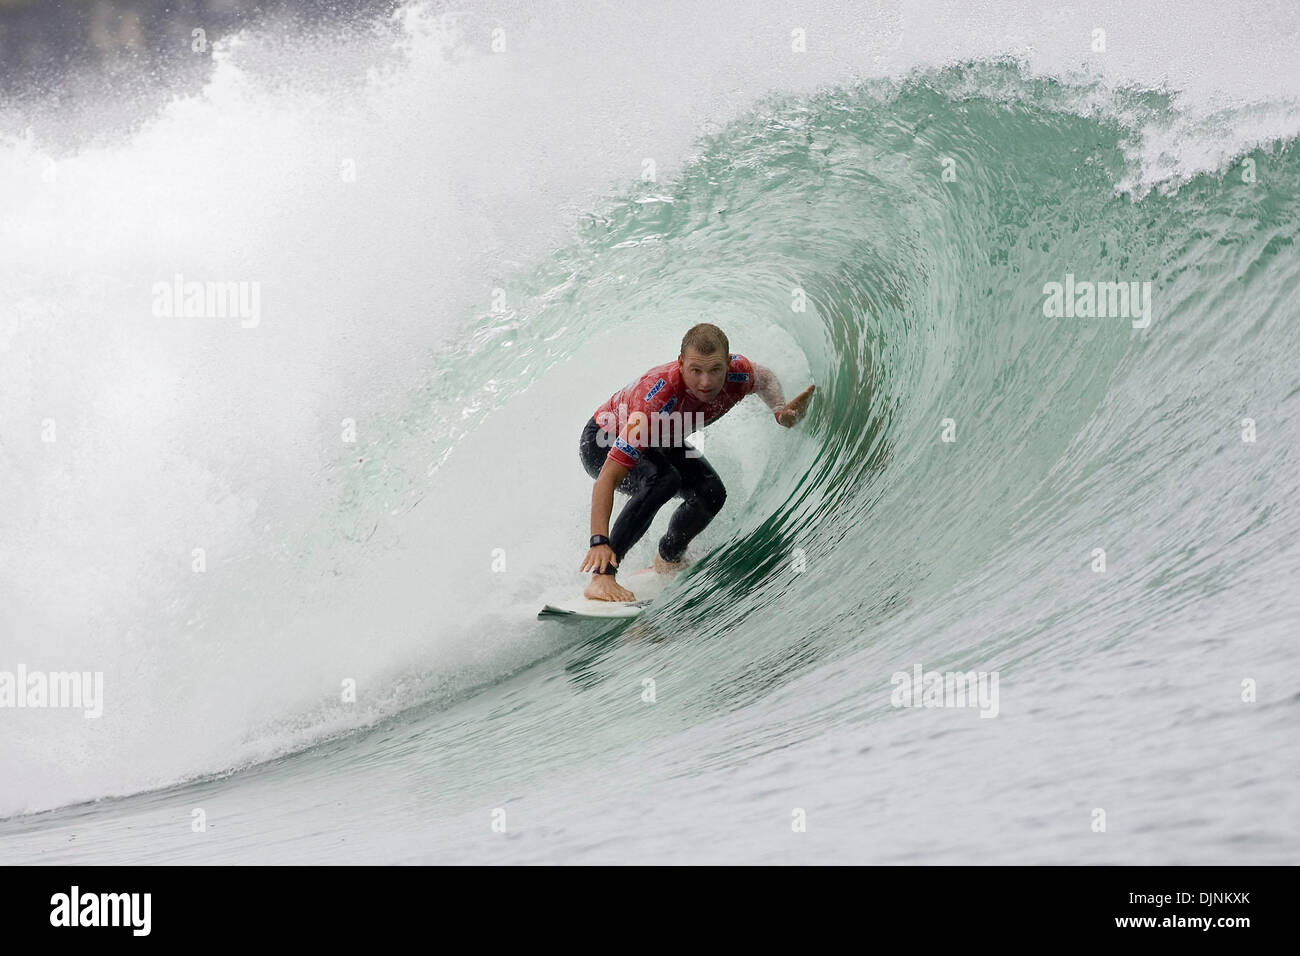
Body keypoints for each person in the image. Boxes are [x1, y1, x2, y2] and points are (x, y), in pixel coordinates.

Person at [578, 322, 815, 601]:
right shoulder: (656, 400)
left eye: (715, 370)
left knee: (711, 492)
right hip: (603, 440)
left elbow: (763, 378)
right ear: (680, 365)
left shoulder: (740, 374)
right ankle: (602, 579)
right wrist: (598, 542)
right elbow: (607, 478)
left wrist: (779, 410)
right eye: (696, 371)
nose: (706, 382)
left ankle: (669, 558)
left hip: (660, 440)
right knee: (664, 480)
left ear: (728, 364)